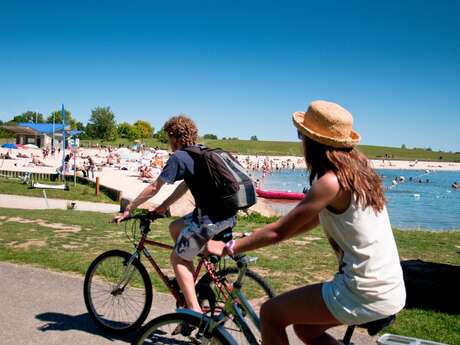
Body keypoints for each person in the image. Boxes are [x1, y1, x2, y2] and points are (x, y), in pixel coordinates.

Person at [207, 100, 406, 345]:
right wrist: (254, 235)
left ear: (313, 141)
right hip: (388, 287)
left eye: (300, 134)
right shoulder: (360, 175)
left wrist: (230, 247)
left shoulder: (330, 182)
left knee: (270, 314)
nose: (300, 140)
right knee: (306, 330)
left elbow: (279, 232)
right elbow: (305, 222)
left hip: (363, 290)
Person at [113, 115, 237, 314]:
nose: (168, 143)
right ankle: (198, 278)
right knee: (175, 227)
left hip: (208, 220)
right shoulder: (200, 152)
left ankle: (193, 311)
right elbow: (186, 184)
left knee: (177, 258)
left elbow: (154, 186)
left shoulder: (180, 156)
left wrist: (130, 208)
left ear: (175, 137)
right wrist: (163, 207)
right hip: (227, 215)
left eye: (168, 138)